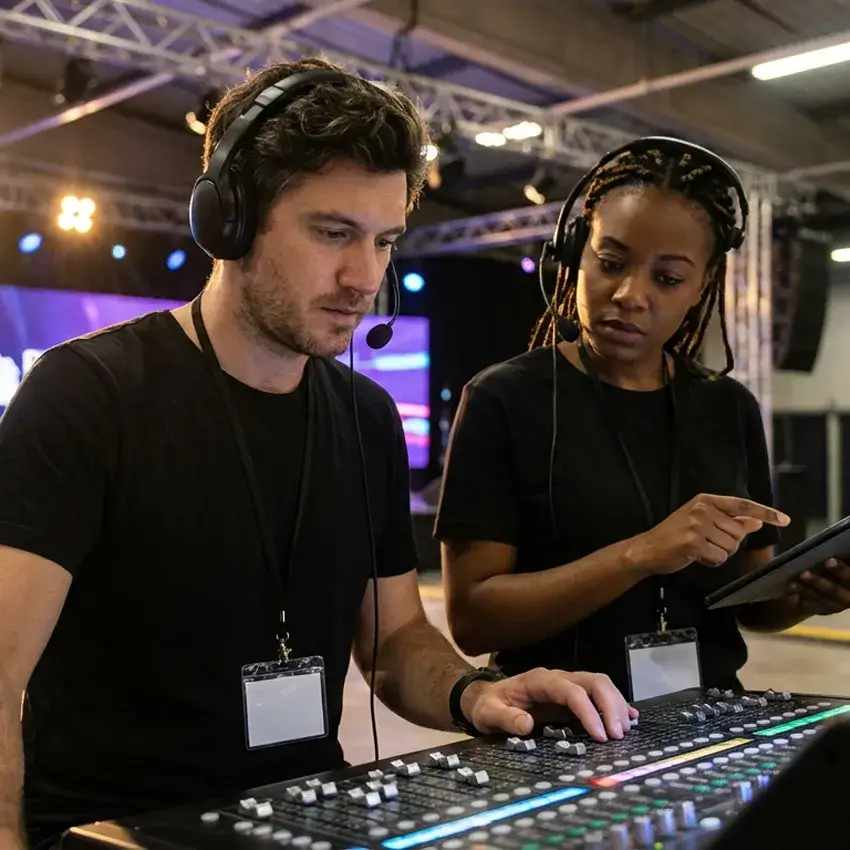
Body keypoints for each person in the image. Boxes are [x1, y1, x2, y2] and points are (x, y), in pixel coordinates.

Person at [0, 58, 638, 850]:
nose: (363, 277)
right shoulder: (86, 397)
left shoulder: (364, 417)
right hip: (112, 836)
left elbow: (396, 641)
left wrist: (477, 694)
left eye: (384, 242)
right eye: (333, 233)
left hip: (308, 825)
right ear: (231, 219)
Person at [435, 137, 850, 703]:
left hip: (709, 718)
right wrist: (639, 554)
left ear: (701, 286)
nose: (631, 294)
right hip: (561, 728)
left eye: (669, 278)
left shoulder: (728, 407)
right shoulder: (504, 399)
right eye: (610, 263)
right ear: (575, 254)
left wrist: (804, 597)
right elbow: (474, 620)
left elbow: (752, 605)